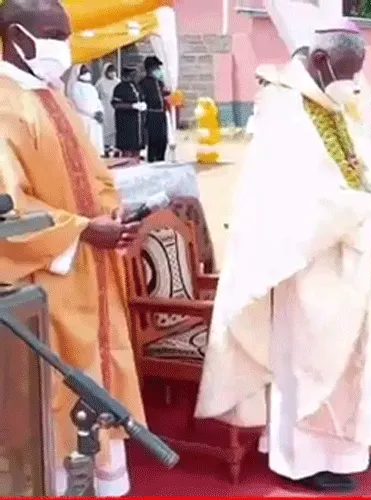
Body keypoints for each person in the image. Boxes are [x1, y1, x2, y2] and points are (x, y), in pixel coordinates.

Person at [193, 19, 371, 493]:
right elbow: (294, 200)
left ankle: (346, 444)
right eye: (350, 70)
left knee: (352, 355)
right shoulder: (284, 110)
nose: (355, 82)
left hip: (346, 252)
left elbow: (362, 169)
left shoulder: (330, 104)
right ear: (323, 60)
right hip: (305, 262)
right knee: (307, 361)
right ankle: (302, 461)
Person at [0, 0, 146, 495]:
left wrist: (112, 213)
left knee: (95, 379)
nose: (63, 45)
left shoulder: (53, 96)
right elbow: (8, 206)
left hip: (92, 268)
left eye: (64, 34)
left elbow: (96, 176)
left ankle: (96, 481)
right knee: (53, 394)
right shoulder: (3, 103)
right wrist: (82, 229)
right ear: (16, 36)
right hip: (44, 277)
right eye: (53, 34)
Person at [65, 64, 104, 155]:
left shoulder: (91, 87)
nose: (87, 73)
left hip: (94, 119)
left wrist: (100, 112)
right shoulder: (76, 87)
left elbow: (98, 101)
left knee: (95, 143)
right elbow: (80, 104)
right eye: (84, 71)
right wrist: (93, 114)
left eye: (87, 71)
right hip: (83, 118)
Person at [138, 55, 169, 162]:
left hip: (162, 114)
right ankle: (152, 160)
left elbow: (163, 95)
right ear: (150, 69)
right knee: (153, 140)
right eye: (156, 68)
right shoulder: (143, 83)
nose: (159, 70)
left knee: (163, 139)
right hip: (151, 114)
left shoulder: (160, 82)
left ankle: (161, 160)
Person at [112, 67, 145, 158]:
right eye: (133, 74)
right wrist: (132, 106)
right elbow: (116, 104)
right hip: (126, 123)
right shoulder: (120, 88)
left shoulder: (137, 86)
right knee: (127, 149)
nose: (135, 76)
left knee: (137, 148)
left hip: (138, 123)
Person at [96, 62, 119, 153]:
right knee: (106, 128)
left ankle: (115, 147)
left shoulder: (117, 82)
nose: (112, 73)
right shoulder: (100, 83)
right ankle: (105, 147)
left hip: (115, 108)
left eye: (113, 71)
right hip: (105, 107)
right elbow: (96, 95)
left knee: (115, 127)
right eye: (110, 71)